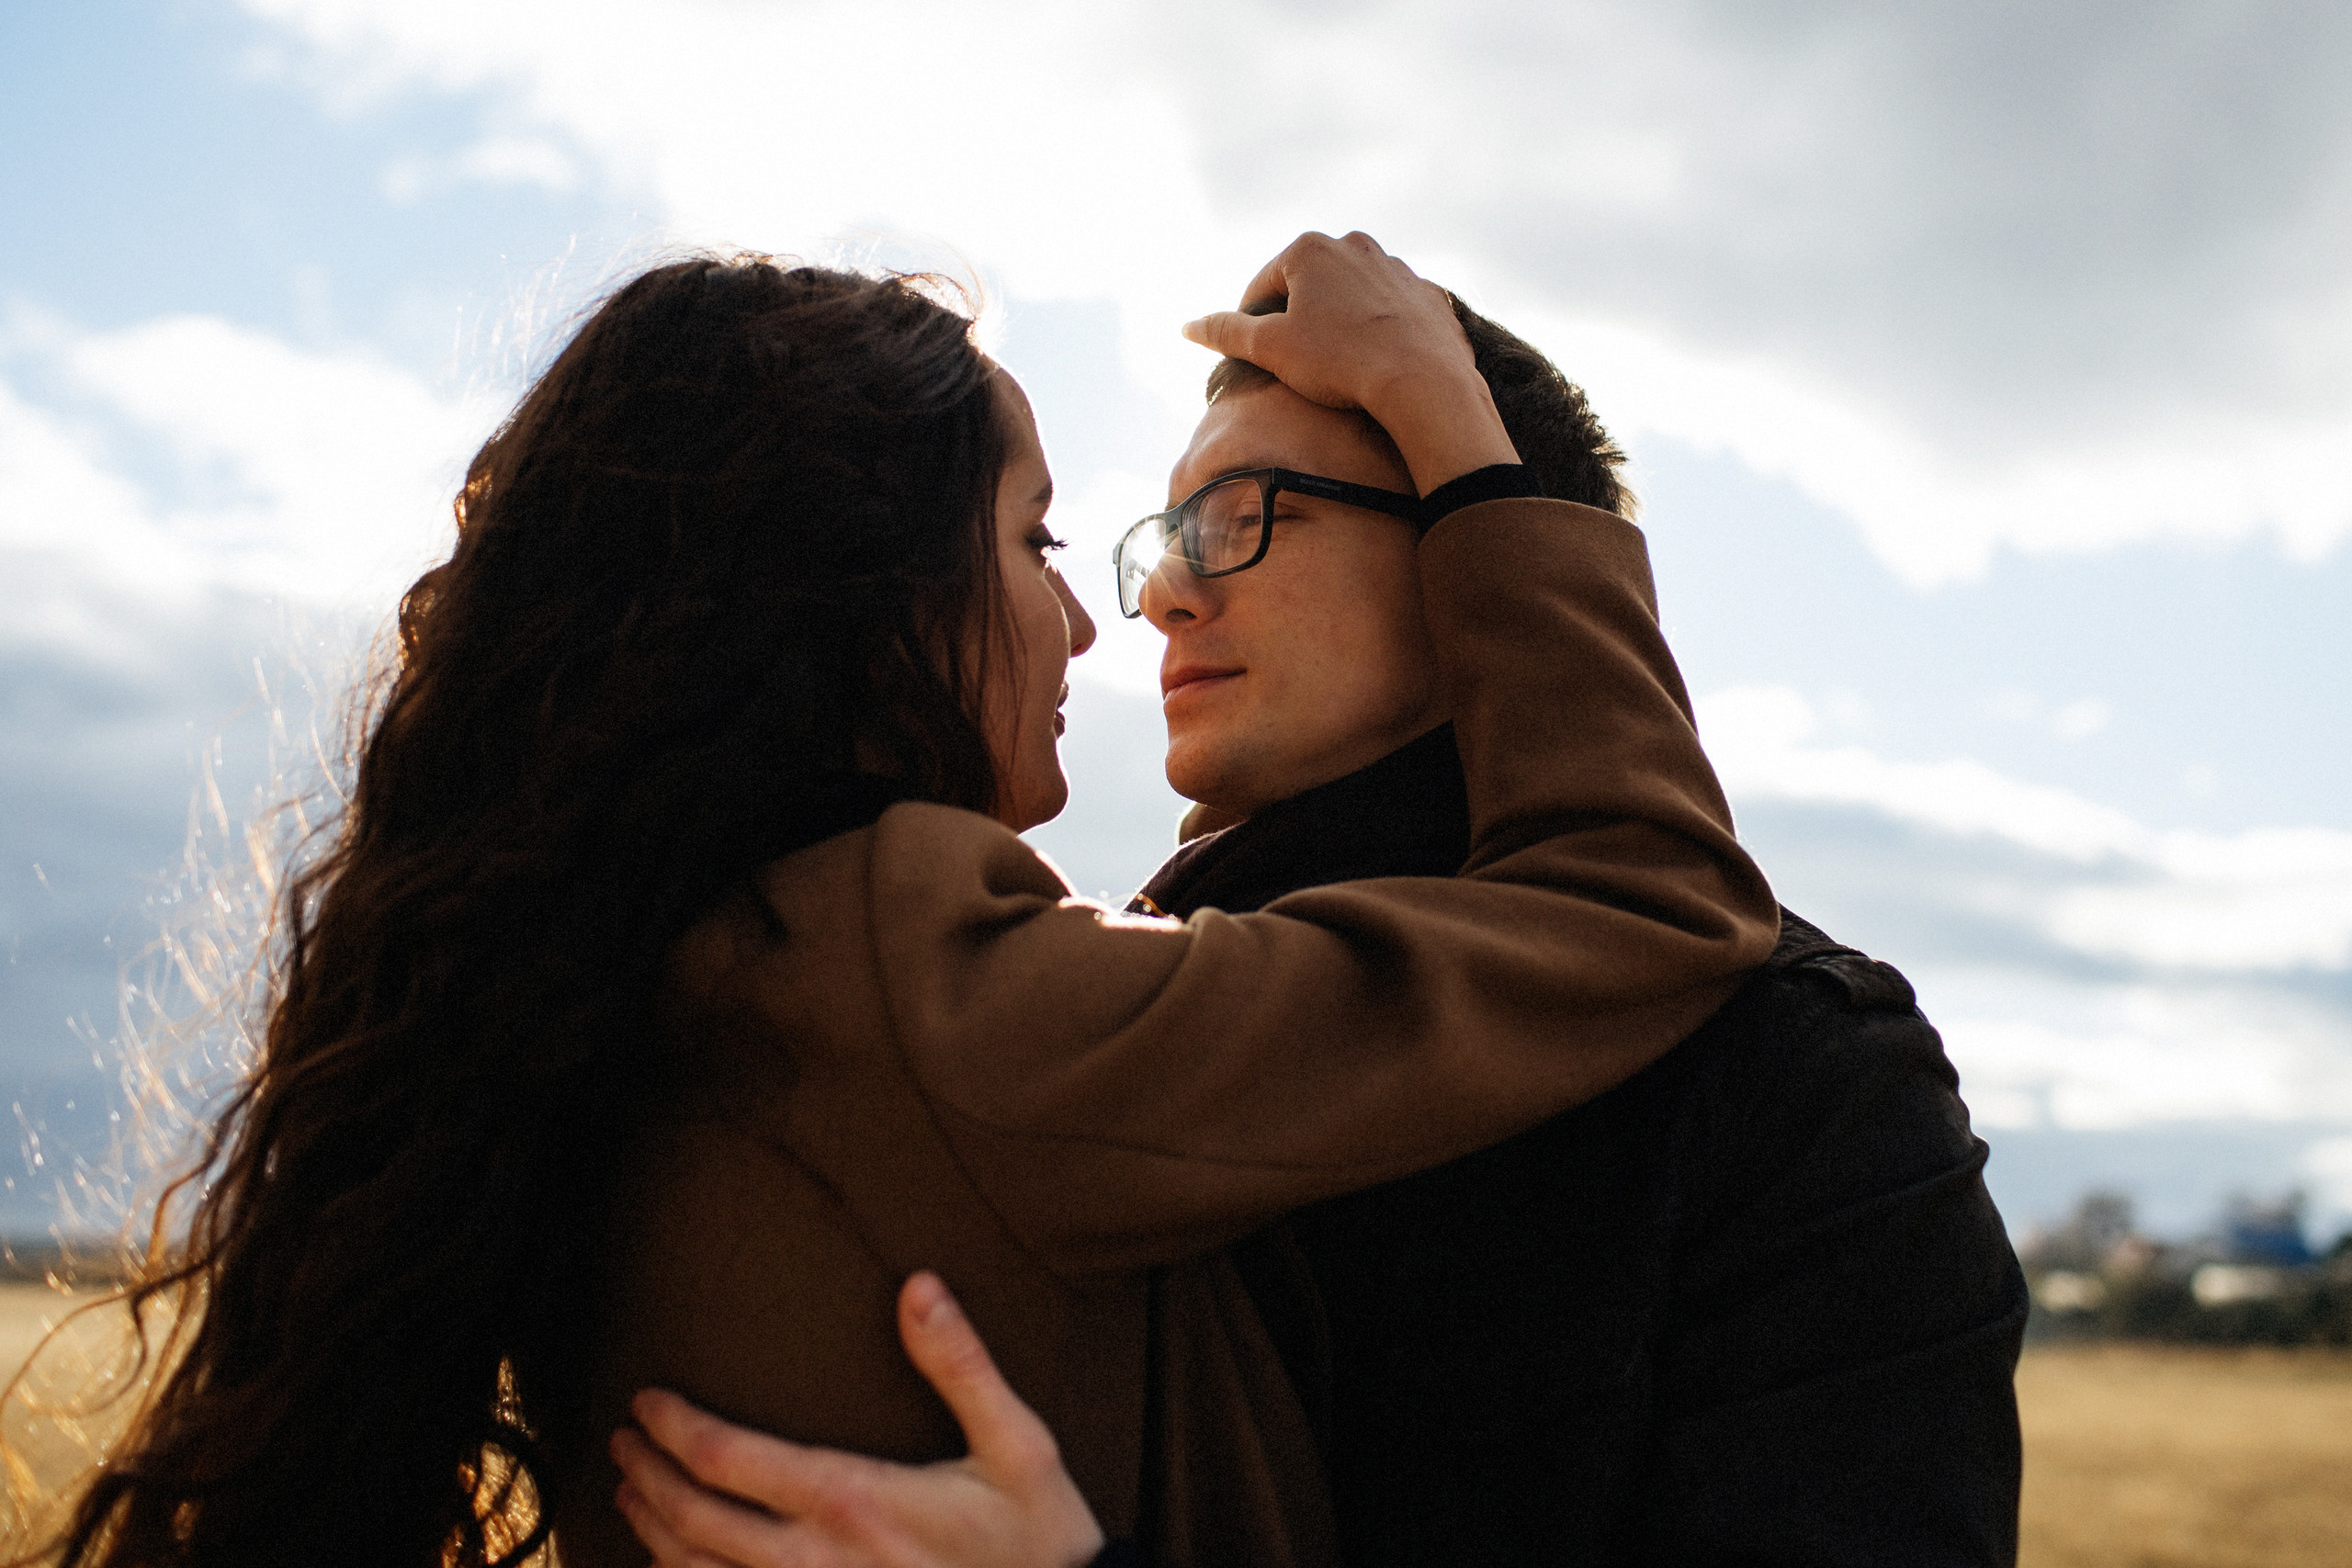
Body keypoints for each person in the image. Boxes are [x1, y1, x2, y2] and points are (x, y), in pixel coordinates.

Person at [28, 237, 1775, 1568]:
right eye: (1037, 545)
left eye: (1230, 522)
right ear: (860, 605)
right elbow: (1654, 892)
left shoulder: (644, 972)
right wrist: (1475, 457)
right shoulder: (914, 962)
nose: (1108, 619)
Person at [613, 275, 2029, 1564]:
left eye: (1238, 518)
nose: (1160, 595)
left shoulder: (1795, 1078)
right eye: (1161, 535)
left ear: (1475, 557)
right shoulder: (1056, 1022)